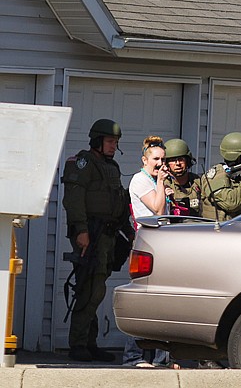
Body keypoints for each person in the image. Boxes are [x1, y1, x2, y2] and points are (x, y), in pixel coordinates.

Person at [62, 118, 132, 362]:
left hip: (107, 236)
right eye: (111, 141)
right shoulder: (83, 163)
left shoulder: (109, 166)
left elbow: (117, 200)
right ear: (97, 141)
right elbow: (73, 199)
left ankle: (88, 343)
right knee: (89, 290)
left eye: (116, 142)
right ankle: (78, 344)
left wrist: (128, 231)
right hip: (91, 234)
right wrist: (81, 230)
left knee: (95, 290)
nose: (114, 146)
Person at [123, 136, 178, 369]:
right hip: (146, 244)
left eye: (163, 159)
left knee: (162, 301)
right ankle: (134, 356)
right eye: (156, 159)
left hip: (162, 243)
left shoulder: (158, 181)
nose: (161, 164)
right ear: (144, 160)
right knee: (143, 298)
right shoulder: (140, 181)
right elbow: (156, 208)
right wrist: (162, 185)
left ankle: (161, 358)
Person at [199, 132, 241, 221]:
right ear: (235, 156)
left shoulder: (240, 173)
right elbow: (231, 202)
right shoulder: (215, 177)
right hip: (218, 232)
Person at [163, 138, 202, 217]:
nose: (178, 163)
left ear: (187, 161)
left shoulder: (198, 182)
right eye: (173, 160)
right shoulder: (163, 185)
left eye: (181, 159)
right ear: (167, 164)